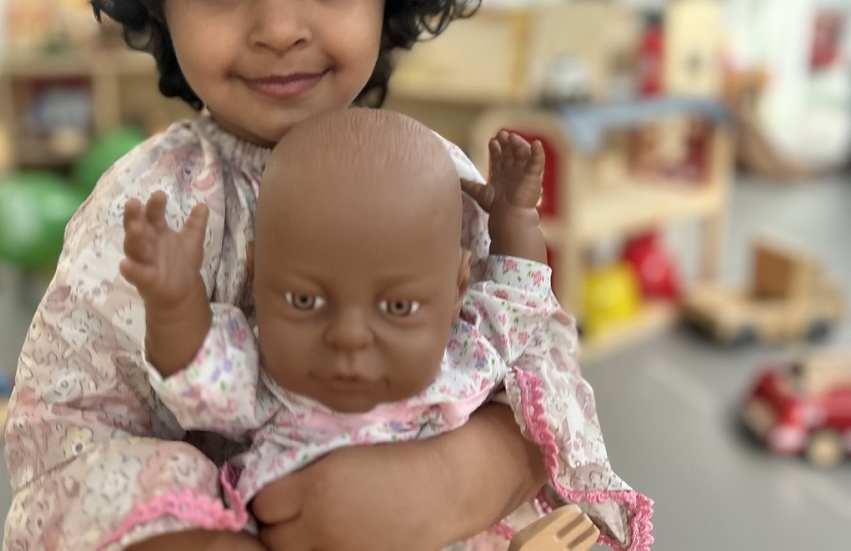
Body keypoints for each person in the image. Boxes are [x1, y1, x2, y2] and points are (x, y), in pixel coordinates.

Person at [2, 0, 654, 550]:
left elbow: (529, 348)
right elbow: (70, 427)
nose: (279, 28)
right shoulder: (149, 206)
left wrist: (470, 471)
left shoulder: (437, 178)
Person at [114, 109, 575, 546]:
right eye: (306, 301)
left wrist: (515, 218)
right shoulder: (264, 380)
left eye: (397, 306)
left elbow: (516, 301)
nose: (349, 337)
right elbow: (197, 379)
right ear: (258, 273)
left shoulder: (459, 363)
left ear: (457, 290)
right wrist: (174, 303)